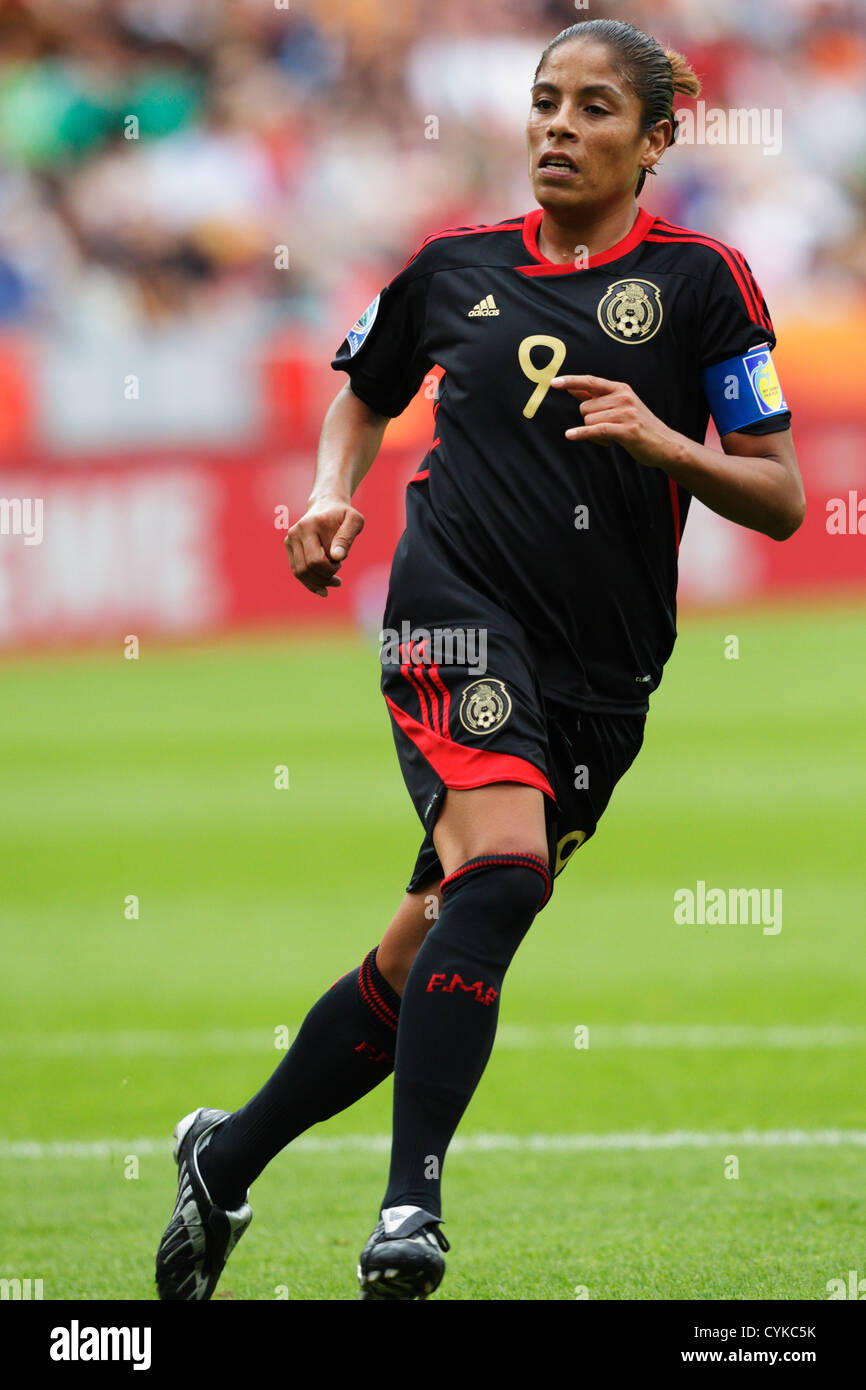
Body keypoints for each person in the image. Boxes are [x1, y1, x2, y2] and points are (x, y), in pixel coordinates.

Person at [155, 18, 804, 1302]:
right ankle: (409, 1213)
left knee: (431, 942)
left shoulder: (705, 284)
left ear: (656, 139)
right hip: (449, 615)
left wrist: (663, 446)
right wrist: (331, 492)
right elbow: (360, 390)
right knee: (500, 871)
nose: (557, 126)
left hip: (603, 680)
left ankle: (222, 1159)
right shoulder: (449, 267)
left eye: (594, 108)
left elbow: (781, 498)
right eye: (543, 101)